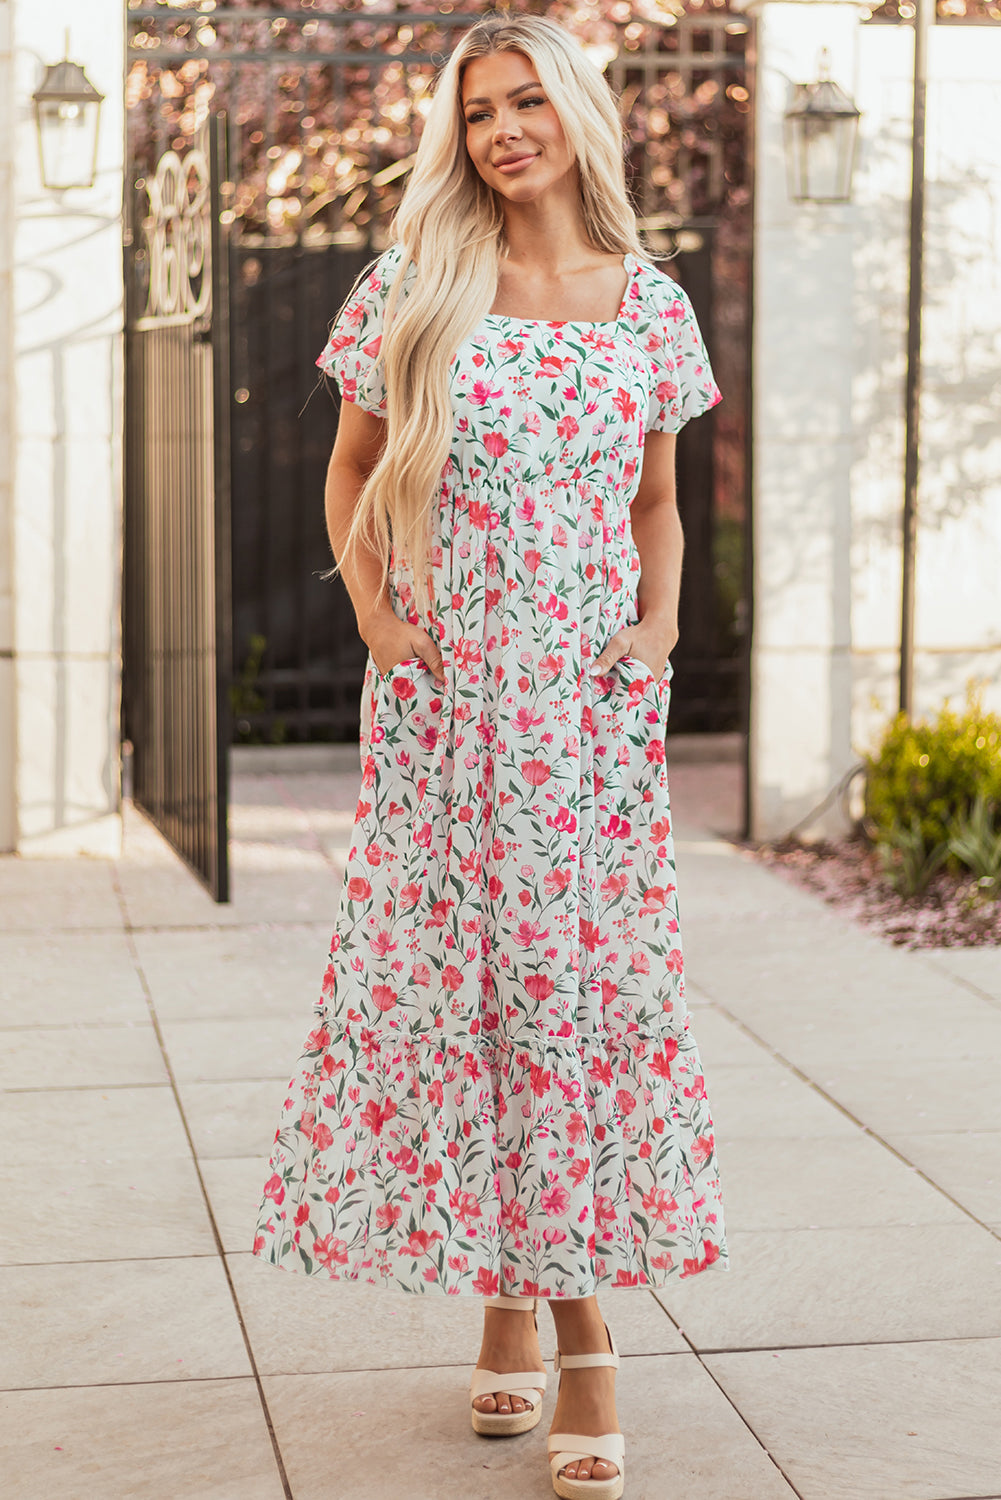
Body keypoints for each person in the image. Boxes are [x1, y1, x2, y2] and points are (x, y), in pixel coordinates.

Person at [252, 14, 727, 1498]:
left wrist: (654, 630)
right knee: (479, 1000)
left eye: (527, 101)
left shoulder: (647, 307)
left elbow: (655, 502)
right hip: (453, 710)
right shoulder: (416, 285)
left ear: (579, 112)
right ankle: (550, 1321)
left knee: (565, 995)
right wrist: (388, 633)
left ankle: (535, 1318)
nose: (504, 130)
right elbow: (348, 473)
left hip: (586, 720)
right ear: (454, 139)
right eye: (477, 113)